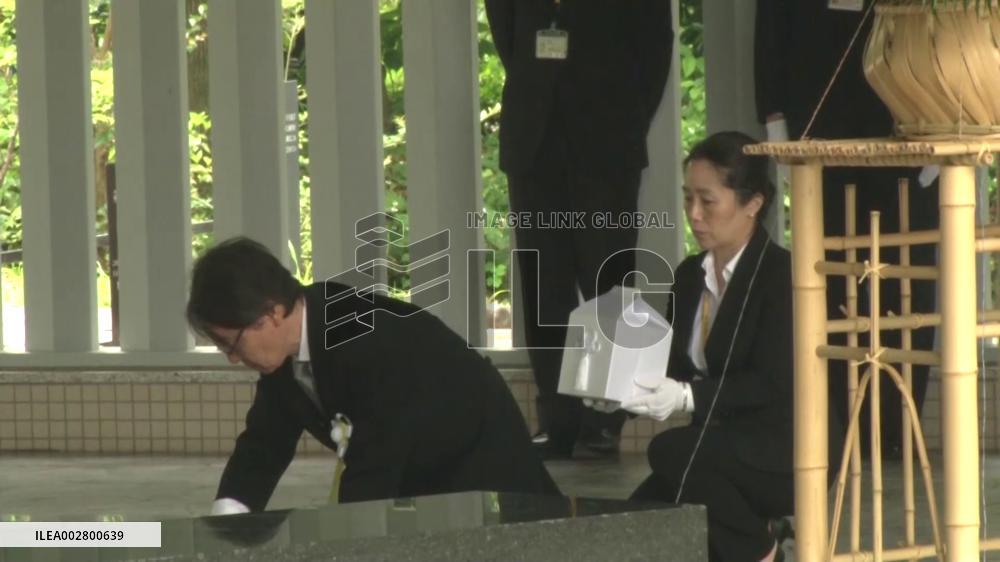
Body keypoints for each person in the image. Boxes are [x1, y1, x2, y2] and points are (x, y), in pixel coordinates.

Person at [591, 132, 840, 562]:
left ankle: (764, 553)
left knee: (669, 450)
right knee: (636, 519)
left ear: (753, 203)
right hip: (716, 451)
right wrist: (619, 393)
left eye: (708, 201)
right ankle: (762, 536)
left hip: (785, 449)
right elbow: (670, 368)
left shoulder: (783, 277)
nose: (694, 214)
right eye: (689, 198)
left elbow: (772, 383)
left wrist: (688, 397)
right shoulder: (689, 276)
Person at [186, 237, 559, 514]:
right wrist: (229, 521)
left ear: (271, 315)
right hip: (424, 482)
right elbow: (263, 447)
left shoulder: (366, 341)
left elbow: (374, 466)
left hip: (485, 477)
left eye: (231, 343)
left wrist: (343, 544)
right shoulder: (288, 349)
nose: (233, 359)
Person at [485, 0, 674, 459]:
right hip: (535, 138)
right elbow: (508, 33)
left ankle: (604, 417)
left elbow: (655, 47)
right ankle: (557, 416)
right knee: (542, 282)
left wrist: (625, 117)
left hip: (606, 139)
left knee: (607, 279)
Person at [754, 0, 938, 459]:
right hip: (818, 109)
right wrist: (774, 113)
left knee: (906, 275)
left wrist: (944, 116)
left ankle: (898, 425)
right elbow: (772, 20)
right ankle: (841, 422)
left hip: (909, 112)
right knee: (832, 273)